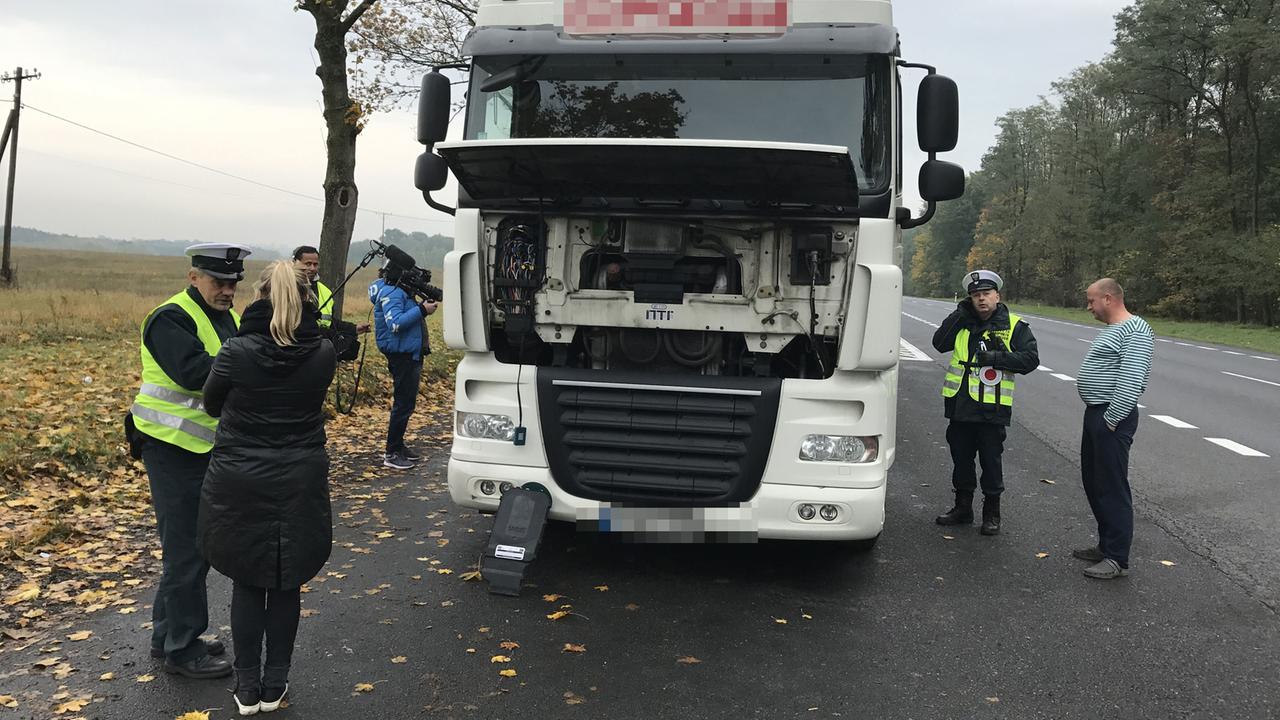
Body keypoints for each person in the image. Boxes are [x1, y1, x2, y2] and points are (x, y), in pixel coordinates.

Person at [198, 260, 337, 714]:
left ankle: (246, 686)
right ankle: (275, 683)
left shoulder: (236, 351)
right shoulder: (323, 352)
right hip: (300, 473)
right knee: (286, 580)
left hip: (240, 475)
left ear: (260, 298)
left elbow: (212, 401)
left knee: (246, 577)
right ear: (305, 302)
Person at [128, 243, 251, 679]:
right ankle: (183, 649)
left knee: (187, 548)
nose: (228, 290)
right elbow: (197, 374)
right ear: (194, 276)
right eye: (219, 281)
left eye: (233, 283)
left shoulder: (225, 316)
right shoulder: (170, 318)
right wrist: (254, 366)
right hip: (170, 446)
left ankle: (167, 637)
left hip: (200, 447)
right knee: (187, 550)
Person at [932, 270, 1040, 535]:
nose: (981, 299)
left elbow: (1030, 360)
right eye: (975, 295)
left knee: (991, 462)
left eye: (985, 294)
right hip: (960, 406)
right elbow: (939, 343)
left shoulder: (1014, 325)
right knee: (961, 460)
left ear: (997, 296)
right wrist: (960, 313)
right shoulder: (963, 322)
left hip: (992, 410)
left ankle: (992, 513)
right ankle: (962, 508)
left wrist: (994, 357)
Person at [1073, 278, 1154, 580]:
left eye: (1091, 300)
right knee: (1094, 482)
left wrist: (1111, 419)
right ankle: (1105, 546)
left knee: (1112, 486)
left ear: (1108, 299)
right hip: (1097, 413)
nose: (1089, 307)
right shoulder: (1115, 330)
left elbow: (1131, 379)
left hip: (1111, 418)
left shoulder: (1136, 330)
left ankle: (1117, 557)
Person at [370, 263, 438, 470]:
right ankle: (391, 453)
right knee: (402, 405)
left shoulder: (399, 292)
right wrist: (421, 309)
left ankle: (398, 446)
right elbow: (395, 324)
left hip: (410, 353)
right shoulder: (392, 293)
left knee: (407, 404)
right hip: (402, 355)